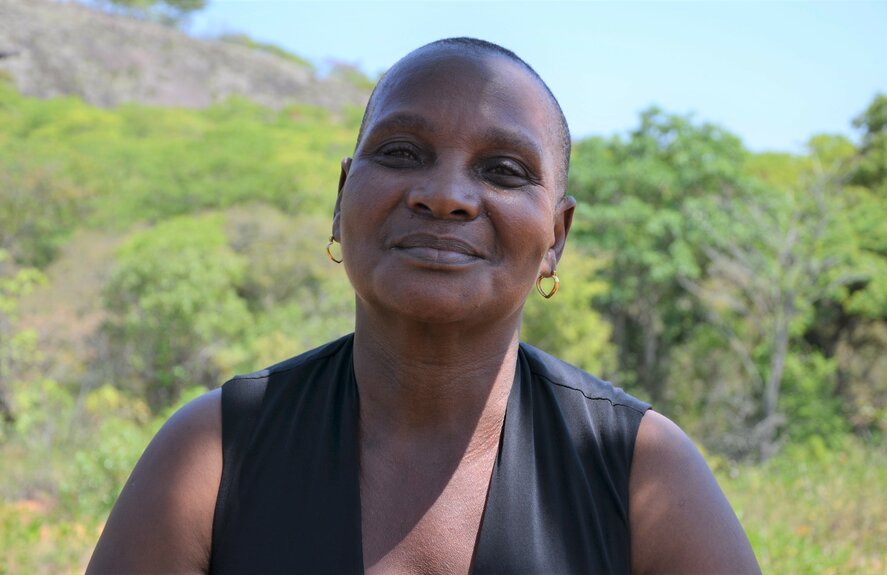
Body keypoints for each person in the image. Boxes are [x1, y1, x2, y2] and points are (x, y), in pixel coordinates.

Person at [87, 37, 761, 574]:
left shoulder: (639, 467)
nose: (444, 195)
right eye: (402, 152)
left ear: (556, 236)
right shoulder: (214, 453)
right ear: (341, 199)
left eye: (503, 170)